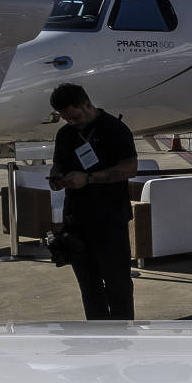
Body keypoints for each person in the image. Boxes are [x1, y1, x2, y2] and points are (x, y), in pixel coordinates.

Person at [49, 83, 138, 320]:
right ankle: (97, 335)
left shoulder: (115, 129)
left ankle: (123, 334)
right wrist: (56, 178)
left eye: (75, 117)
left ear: (86, 104)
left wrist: (88, 179)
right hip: (77, 222)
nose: (72, 122)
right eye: (67, 119)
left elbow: (130, 168)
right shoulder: (65, 135)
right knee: (89, 288)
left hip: (110, 221)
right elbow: (58, 165)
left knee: (118, 285)